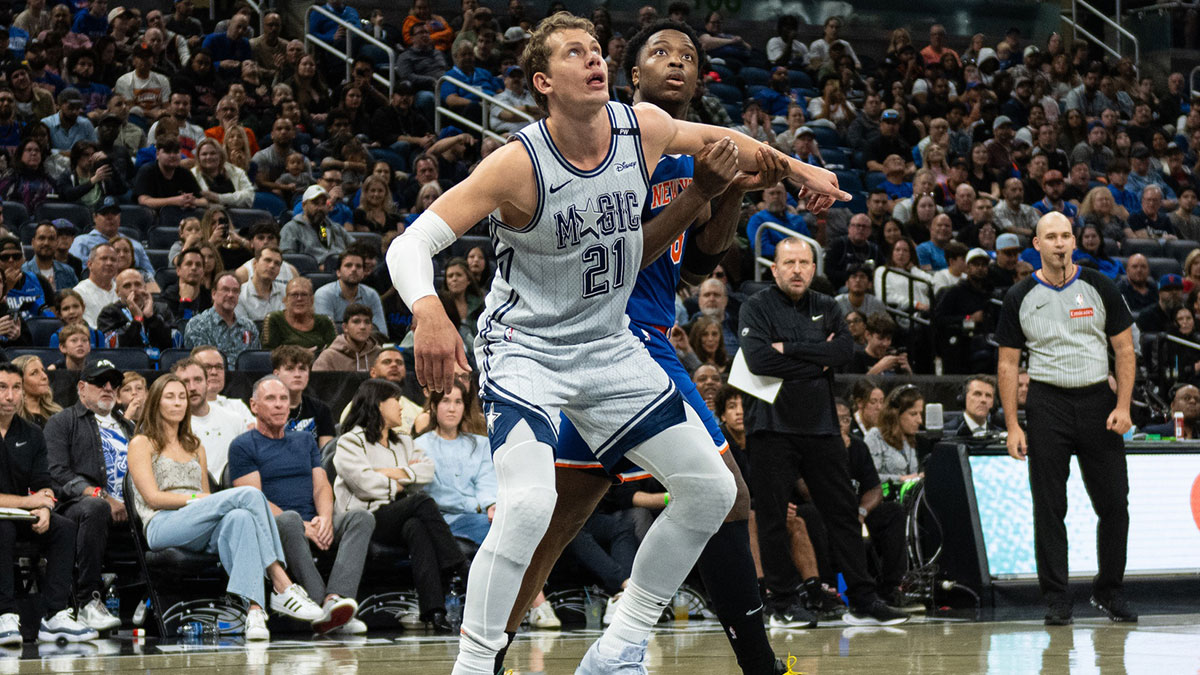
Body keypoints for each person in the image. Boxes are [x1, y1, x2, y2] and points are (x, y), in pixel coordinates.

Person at [386, 14, 847, 674]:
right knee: (532, 507)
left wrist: (803, 171)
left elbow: (726, 143)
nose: (593, 59)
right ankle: (475, 666)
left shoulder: (643, 129)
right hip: (526, 349)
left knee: (712, 492)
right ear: (543, 81)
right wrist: (428, 308)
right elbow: (411, 244)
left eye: (597, 50)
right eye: (576, 53)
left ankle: (618, 647)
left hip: (609, 346)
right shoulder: (517, 163)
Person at [740, 237, 908, 628]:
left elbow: (843, 353)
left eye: (804, 262)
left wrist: (787, 349)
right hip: (771, 426)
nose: (797, 269)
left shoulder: (828, 306)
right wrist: (817, 360)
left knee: (844, 513)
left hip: (821, 426)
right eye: (789, 263)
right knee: (772, 518)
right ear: (774, 269)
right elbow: (758, 360)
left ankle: (862, 600)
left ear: (814, 268)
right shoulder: (756, 306)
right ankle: (783, 601)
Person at [996, 212, 1137, 625]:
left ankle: (1109, 590)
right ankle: (1057, 598)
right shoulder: (1020, 295)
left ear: (1074, 242)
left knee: (1115, 503)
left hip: (1098, 400)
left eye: (1065, 236)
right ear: (1037, 245)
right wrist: (1013, 425)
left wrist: (1123, 406)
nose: (1059, 243)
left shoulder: (1100, 286)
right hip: (1047, 403)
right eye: (1051, 237)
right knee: (1049, 506)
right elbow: (1008, 364)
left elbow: (1124, 350)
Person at [127, 373, 325, 641]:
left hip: (199, 524)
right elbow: (152, 498)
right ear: (156, 402)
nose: (178, 402)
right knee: (249, 495)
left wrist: (203, 501)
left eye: (182, 397)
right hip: (163, 524)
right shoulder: (142, 443)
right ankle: (281, 582)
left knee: (240, 518)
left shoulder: (194, 445)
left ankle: (254, 612)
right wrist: (197, 500)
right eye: (169, 397)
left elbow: (210, 501)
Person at [229, 376, 375, 635]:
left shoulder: (305, 440)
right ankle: (321, 606)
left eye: (283, 399)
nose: (279, 405)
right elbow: (253, 499)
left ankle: (336, 600)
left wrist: (325, 518)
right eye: (270, 399)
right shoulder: (242, 445)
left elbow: (321, 486)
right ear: (253, 405)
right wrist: (304, 525)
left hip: (313, 521)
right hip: (276, 524)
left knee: (362, 517)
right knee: (290, 519)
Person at [335, 378, 468, 633]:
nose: (401, 407)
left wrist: (386, 472)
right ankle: (459, 566)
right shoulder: (351, 441)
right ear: (379, 404)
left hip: (398, 514)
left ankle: (435, 612)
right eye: (395, 400)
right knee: (421, 501)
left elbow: (427, 471)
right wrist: (402, 480)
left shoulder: (404, 441)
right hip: (365, 517)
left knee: (416, 527)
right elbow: (363, 483)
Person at [0, 362, 99, 645]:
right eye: (2, 388)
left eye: (16, 388)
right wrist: (29, 501)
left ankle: (54, 615)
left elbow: (44, 483)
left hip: (21, 514)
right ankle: (4, 613)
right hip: (5, 518)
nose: (10, 396)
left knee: (64, 528)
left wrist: (44, 507)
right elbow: (31, 496)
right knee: (2, 530)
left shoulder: (32, 434)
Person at [43, 359, 128, 633]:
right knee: (95, 508)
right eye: (100, 382)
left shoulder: (128, 425)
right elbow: (57, 473)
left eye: (114, 383)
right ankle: (88, 601)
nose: (108, 388)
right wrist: (102, 496)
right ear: (81, 387)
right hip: (76, 507)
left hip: (131, 506)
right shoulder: (62, 422)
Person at [833, 398, 908, 604]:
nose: (841, 425)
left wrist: (862, 511)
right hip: (828, 513)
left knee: (893, 512)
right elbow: (806, 490)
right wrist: (837, 454)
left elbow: (875, 489)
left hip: (857, 513)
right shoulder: (816, 448)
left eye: (846, 420)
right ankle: (826, 589)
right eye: (836, 420)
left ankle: (891, 586)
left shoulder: (858, 446)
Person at [413, 380, 495, 545]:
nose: (452, 409)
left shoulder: (481, 444)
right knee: (494, 533)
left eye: (458, 402)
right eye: (445, 401)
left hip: (479, 515)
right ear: (434, 407)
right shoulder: (419, 446)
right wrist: (476, 506)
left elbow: (487, 481)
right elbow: (434, 493)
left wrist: (491, 504)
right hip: (442, 519)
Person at [182, 272, 262, 362]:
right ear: (213, 294)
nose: (231, 295)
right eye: (225, 290)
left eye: (235, 291)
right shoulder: (198, 325)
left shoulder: (249, 326)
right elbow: (202, 363)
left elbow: (255, 362)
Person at [271, 345, 336, 448]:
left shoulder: (321, 410)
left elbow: (326, 452)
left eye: (302, 369)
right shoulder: (264, 409)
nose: (297, 374)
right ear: (276, 374)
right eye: (290, 369)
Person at [96, 269, 173, 355]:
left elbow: (171, 344)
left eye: (138, 284)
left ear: (145, 288)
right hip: (126, 361)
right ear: (118, 292)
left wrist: (151, 318)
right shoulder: (109, 313)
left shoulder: (162, 309)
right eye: (127, 286)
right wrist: (137, 320)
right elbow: (115, 347)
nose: (133, 289)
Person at [313, 249, 387, 336]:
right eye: (348, 265)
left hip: (367, 344)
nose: (354, 269)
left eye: (358, 266)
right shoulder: (324, 294)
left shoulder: (371, 295)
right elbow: (326, 333)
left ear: (363, 273)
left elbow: (382, 333)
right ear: (338, 272)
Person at [862, 384, 923, 485]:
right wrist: (901, 479)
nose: (920, 420)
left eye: (920, 413)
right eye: (913, 414)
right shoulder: (875, 437)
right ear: (895, 414)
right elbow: (868, 476)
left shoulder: (913, 439)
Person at [281, 185, 351, 267]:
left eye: (323, 203)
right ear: (304, 205)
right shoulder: (291, 228)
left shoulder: (336, 228)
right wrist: (316, 268)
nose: (320, 208)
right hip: (312, 272)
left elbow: (355, 248)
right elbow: (289, 261)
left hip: (342, 269)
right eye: (315, 203)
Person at [262, 277, 336, 351]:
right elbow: (268, 353)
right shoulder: (275, 319)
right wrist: (302, 354)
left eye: (304, 294)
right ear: (285, 299)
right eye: (294, 294)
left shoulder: (325, 321)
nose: (299, 299)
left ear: (312, 300)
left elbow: (335, 350)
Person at [313, 304, 384, 373]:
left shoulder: (380, 354)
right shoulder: (328, 357)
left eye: (367, 322)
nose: (362, 327)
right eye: (356, 321)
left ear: (371, 327)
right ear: (345, 327)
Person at [237, 246, 287, 323]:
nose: (272, 266)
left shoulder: (287, 292)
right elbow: (242, 327)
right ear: (255, 264)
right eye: (267, 260)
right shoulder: (240, 295)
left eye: (277, 263)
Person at [11, 355, 61, 427]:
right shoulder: (9, 419)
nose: (44, 376)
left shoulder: (58, 414)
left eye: (43, 370)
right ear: (19, 382)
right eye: (34, 373)